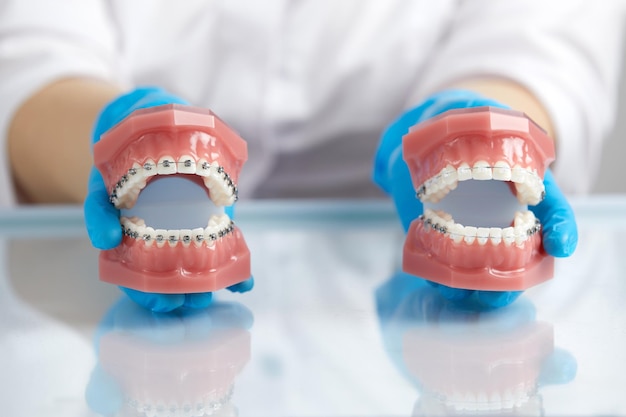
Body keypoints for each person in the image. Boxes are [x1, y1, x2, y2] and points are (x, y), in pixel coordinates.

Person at [0, 1, 623, 310]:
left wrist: (481, 128)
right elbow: (28, 60)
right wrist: (110, 138)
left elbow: (543, 49)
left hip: (385, 313)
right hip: (76, 305)